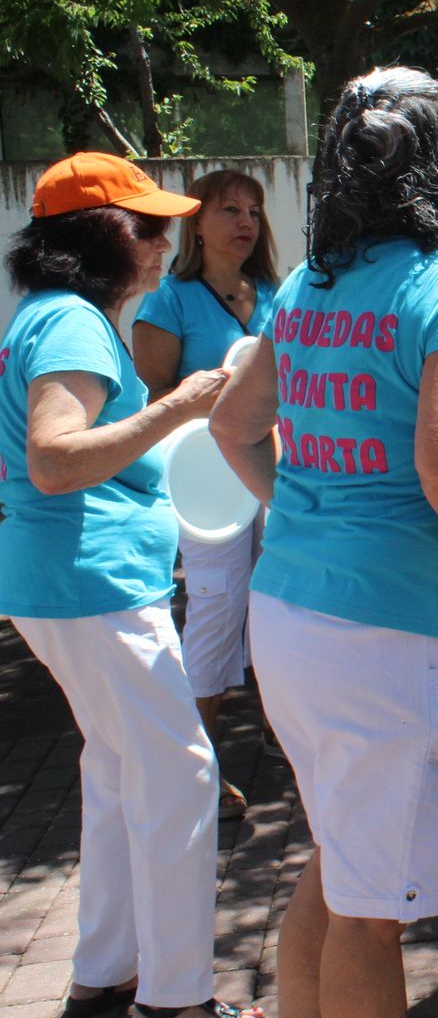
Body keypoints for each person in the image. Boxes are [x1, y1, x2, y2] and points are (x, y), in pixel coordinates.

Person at [208, 66, 438, 1018]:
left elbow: (233, 426)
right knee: (374, 919)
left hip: (292, 613)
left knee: (340, 868)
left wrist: (307, 508)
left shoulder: (306, 284)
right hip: (390, 636)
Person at [0, 153, 267, 1018]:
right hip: (93, 587)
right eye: (147, 227)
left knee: (117, 773)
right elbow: (53, 457)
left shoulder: (50, 316)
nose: (163, 243)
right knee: (183, 778)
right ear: (101, 235)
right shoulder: (74, 323)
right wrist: (179, 409)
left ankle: (106, 976)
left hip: (66, 584)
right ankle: (176, 1003)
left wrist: (165, 451)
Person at [131, 169, 278, 820]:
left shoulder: (275, 294)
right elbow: (150, 403)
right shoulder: (171, 300)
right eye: (228, 210)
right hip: (206, 481)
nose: (244, 221)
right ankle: (192, 765)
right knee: (218, 609)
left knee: (278, 604)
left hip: (277, 473)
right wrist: (207, 394)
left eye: (253, 209)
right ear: (198, 224)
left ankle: (293, 739)